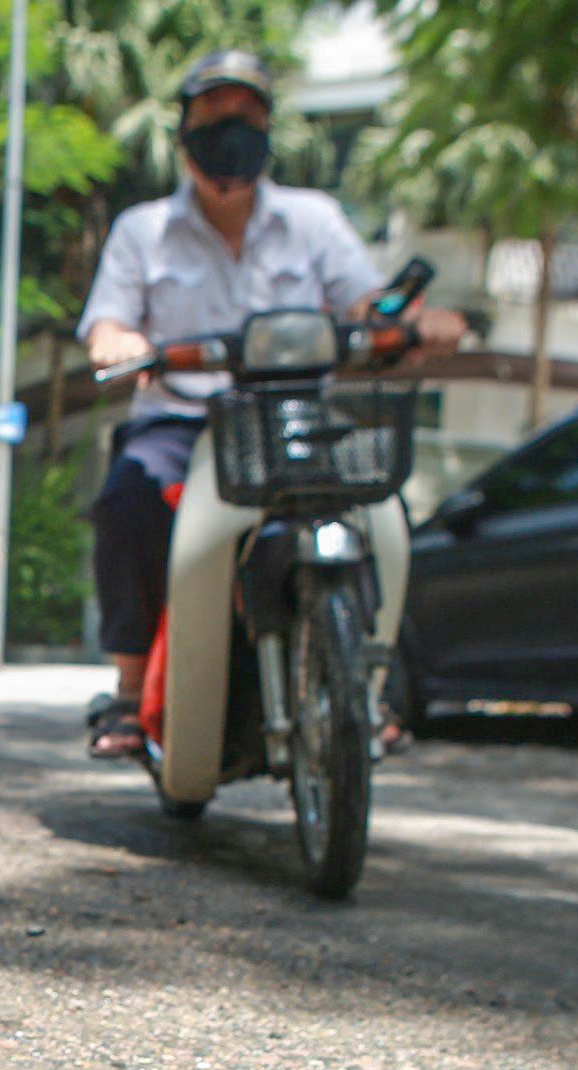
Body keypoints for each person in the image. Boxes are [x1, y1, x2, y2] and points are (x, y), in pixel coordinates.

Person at [78, 49, 466, 759]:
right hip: (182, 419)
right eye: (215, 115)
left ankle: (366, 687)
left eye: (248, 116)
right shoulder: (144, 230)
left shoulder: (313, 220)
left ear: (269, 129)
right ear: (186, 129)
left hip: (291, 419)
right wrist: (116, 340)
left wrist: (412, 325)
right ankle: (131, 693)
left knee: (378, 504)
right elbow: (107, 321)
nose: (232, 129)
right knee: (126, 498)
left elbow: (362, 300)